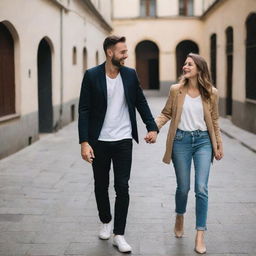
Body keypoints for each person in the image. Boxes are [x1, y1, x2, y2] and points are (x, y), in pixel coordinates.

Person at [78, 35, 158, 253]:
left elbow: (140, 101)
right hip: (99, 141)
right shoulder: (92, 75)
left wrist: (152, 126)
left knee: (122, 186)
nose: (126, 55)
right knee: (100, 184)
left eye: (126, 51)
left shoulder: (130, 75)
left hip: (123, 139)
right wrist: (84, 142)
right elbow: (84, 109)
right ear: (110, 52)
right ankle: (106, 220)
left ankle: (119, 234)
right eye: (122, 52)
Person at [155, 53, 223, 254]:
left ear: (200, 69)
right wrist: (154, 128)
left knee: (201, 188)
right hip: (181, 141)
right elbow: (166, 113)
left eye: (189, 64)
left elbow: (215, 119)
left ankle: (200, 234)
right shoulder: (176, 90)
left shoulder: (211, 92)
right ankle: (180, 214)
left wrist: (218, 144)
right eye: (185, 63)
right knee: (183, 188)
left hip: (203, 141)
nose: (185, 66)